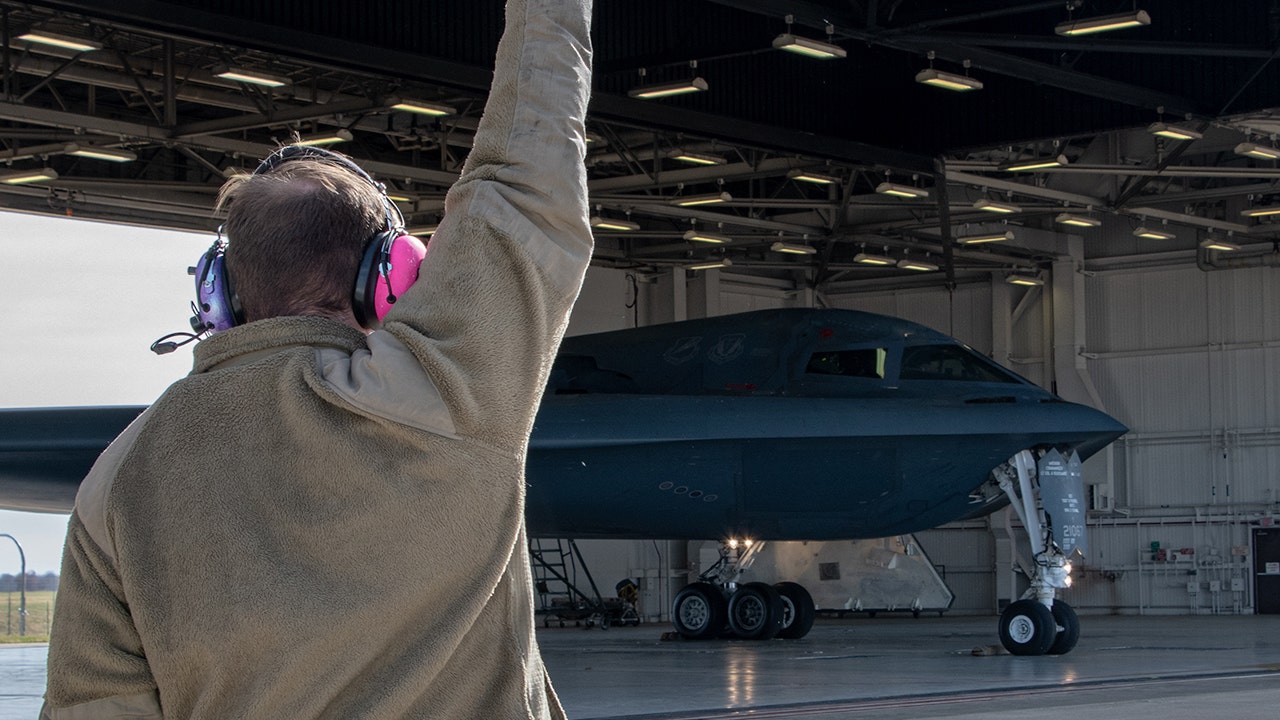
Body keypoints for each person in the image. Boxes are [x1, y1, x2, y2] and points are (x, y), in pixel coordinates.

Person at [41, 0, 593, 717]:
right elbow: (526, 178)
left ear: (219, 297)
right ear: (390, 279)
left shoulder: (118, 482)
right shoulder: (443, 393)